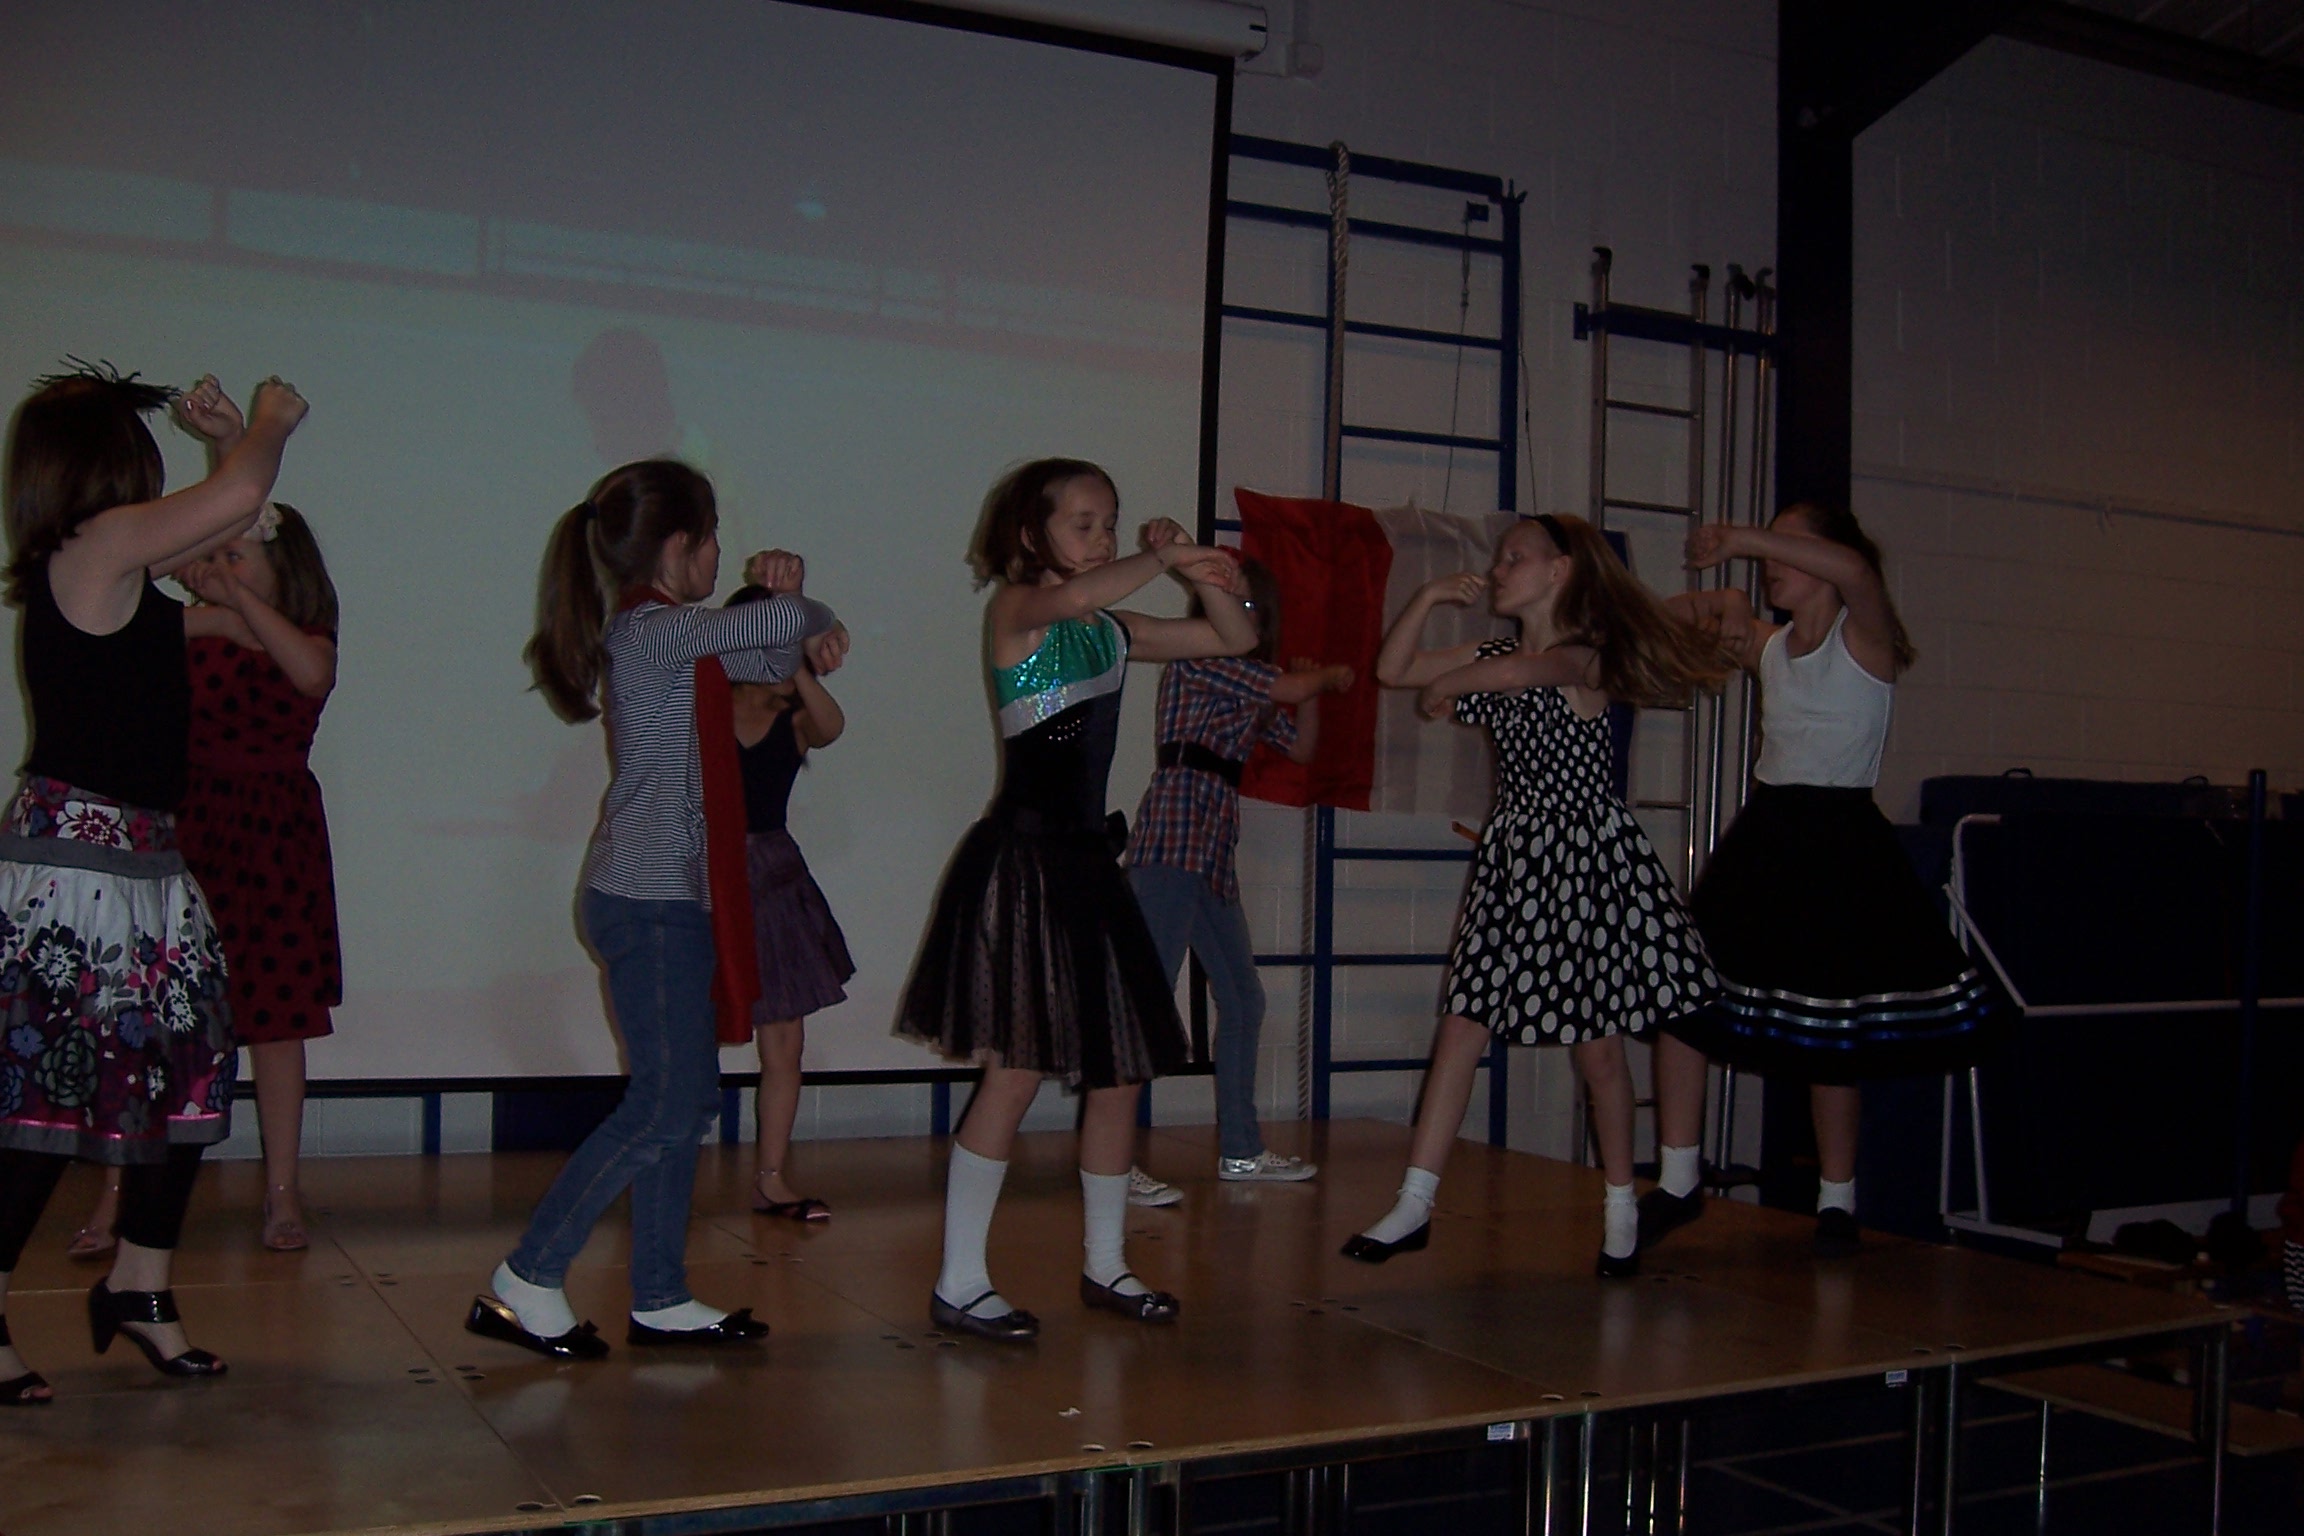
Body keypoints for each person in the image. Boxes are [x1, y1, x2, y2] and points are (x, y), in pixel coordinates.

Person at [466, 460, 844, 1360]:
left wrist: (794, 611)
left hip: (672, 897)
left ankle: (662, 1295)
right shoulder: (650, 631)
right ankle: (527, 1278)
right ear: (681, 545)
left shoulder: (680, 639)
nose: (719, 555)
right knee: (666, 1106)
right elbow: (788, 626)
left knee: (684, 1101)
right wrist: (796, 599)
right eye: (712, 539)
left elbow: (772, 656)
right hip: (649, 901)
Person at [0, 366, 307, 1403]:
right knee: (51, 1101)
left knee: (189, 1069)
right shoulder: (90, 547)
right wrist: (267, 422)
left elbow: (233, 514)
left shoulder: (117, 559)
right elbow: (237, 500)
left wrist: (228, 442)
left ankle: (141, 1284)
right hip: (78, 869)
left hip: (142, 861)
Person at [896, 457, 1253, 1341]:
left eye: (1110, 522)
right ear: (1032, 534)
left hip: (1089, 869)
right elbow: (1078, 596)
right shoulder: (1018, 610)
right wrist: (1165, 559)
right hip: (1022, 864)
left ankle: (1107, 1264)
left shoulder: (1114, 632)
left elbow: (1235, 638)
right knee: (1014, 1073)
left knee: (1120, 1073)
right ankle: (959, 1281)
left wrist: (1202, 569)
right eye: (1083, 523)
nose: (1101, 537)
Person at [1343, 514, 1726, 1277]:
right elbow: (1394, 669)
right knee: (1463, 1022)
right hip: (1517, 855)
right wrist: (1427, 598)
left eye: (1515, 556)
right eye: (1500, 557)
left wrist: (1451, 683)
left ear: (1559, 571)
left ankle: (1622, 1209)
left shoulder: (1587, 654)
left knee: (1599, 1050)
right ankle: (1414, 1203)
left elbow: (1526, 675)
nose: (1499, 568)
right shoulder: (1495, 653)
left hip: (1584, 856)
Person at [1646, 502, 1996, 1257]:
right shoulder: (1770, 645)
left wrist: (1743, 540)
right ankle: (1677, 1178)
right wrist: (1718, 601)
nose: (1772, 561)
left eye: (1789, 547)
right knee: (1681, 993)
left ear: (1827, 558)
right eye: (1770, 547)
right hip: (1768, 836)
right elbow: (1675, 619)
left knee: (1831, 1032)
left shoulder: (1864, 637)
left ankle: (1838, 1200)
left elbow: (1859, 572)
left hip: (1839, 841)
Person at [67, 502, 343, 1258]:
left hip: (272, 838)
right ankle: (115, 1192)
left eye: (237, 557)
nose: (219, 570)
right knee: (150, 1019)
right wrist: (209, 601)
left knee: (277, 1020)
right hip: (186, 828)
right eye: (211, 558)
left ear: (283, 568)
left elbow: (311, 674)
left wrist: (236, 599)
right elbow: (119, 644)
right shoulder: (189, 630)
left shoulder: (303, 631)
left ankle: (282, 1191)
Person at [1125, 557, 1352, 1185]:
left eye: (1250, 607)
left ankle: (1241, 1149)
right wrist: (1323, 677)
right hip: (1174, 838)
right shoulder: (1200, 657)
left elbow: (1299, 746)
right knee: (1147, 1003)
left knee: (1244, 1000)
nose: (1240, 616)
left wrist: (1311, 688)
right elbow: (1290, 690)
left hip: (1210, 847)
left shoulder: (1248, 677)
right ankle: (1114, 1161)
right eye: (1232, 603)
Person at [724, 582, 853, 1222]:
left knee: (783, 1040)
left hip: (772, 878)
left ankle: (771, 1178)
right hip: (703, 876)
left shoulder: (793, 716)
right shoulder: (699, 705)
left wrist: (798, 662)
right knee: (685, 1030)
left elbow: (832, 726)